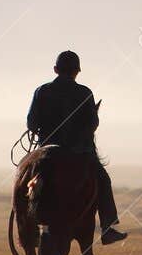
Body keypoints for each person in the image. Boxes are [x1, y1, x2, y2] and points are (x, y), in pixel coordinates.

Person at [26, 50, 126, 244]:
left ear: (56, 69)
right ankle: (107, 227)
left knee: (27, 183)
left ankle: (30, 228)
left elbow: (31, 123)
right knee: (103, 180)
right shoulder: (84, 92)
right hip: (79, 153)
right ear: (77, 72)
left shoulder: (42, 91)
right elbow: (92, 125)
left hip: (47, 154)